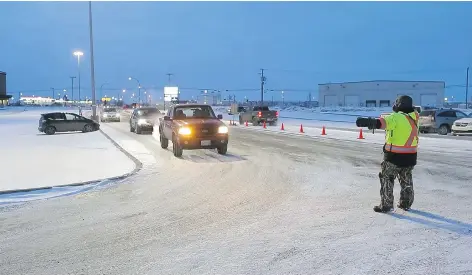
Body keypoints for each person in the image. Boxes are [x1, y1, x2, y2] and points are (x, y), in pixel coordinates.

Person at [356, 95, 419, 213]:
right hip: (411, 156)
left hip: (394, 156)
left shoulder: (396, 117)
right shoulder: (415, 117)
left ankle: (386, 205)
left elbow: (382, 123)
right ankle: (406, 203)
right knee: (406, 178)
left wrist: (369, 122)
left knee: (387, 178)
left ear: (399, 105)